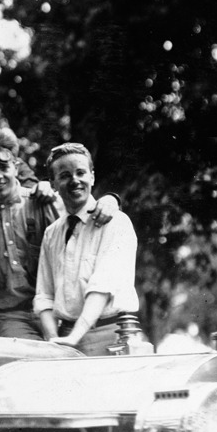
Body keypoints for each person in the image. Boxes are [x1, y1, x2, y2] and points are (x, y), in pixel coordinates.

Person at [0, 129, 122, 339]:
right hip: (8, 317)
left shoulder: (43, 202)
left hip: (59, 312)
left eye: (4, 167)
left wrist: (111, 199)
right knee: (37, 354)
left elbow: (84, 220)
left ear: (16, 167)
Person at [34, 143, 140, 356]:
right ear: (53, 184)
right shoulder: (52, 233)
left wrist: (74, 337)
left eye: (80, 173)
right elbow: (44, 295)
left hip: (111, 334)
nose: (75, 180)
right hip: (65, 338)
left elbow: (102, 285)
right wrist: (54, 340)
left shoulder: (116, 222)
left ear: (92, 177)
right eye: (65, 175)